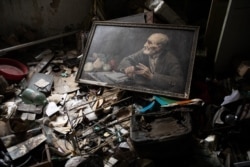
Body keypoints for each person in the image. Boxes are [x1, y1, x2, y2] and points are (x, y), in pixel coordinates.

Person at [117, 33, 184, 93]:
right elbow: (127, 59)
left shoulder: (171, 59)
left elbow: (179, 82)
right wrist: (128, 67)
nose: (145, 45)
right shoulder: (144, 52)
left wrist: (152, 76)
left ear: (159, 47)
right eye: (146, 41)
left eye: (149, 43)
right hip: (144, 89)